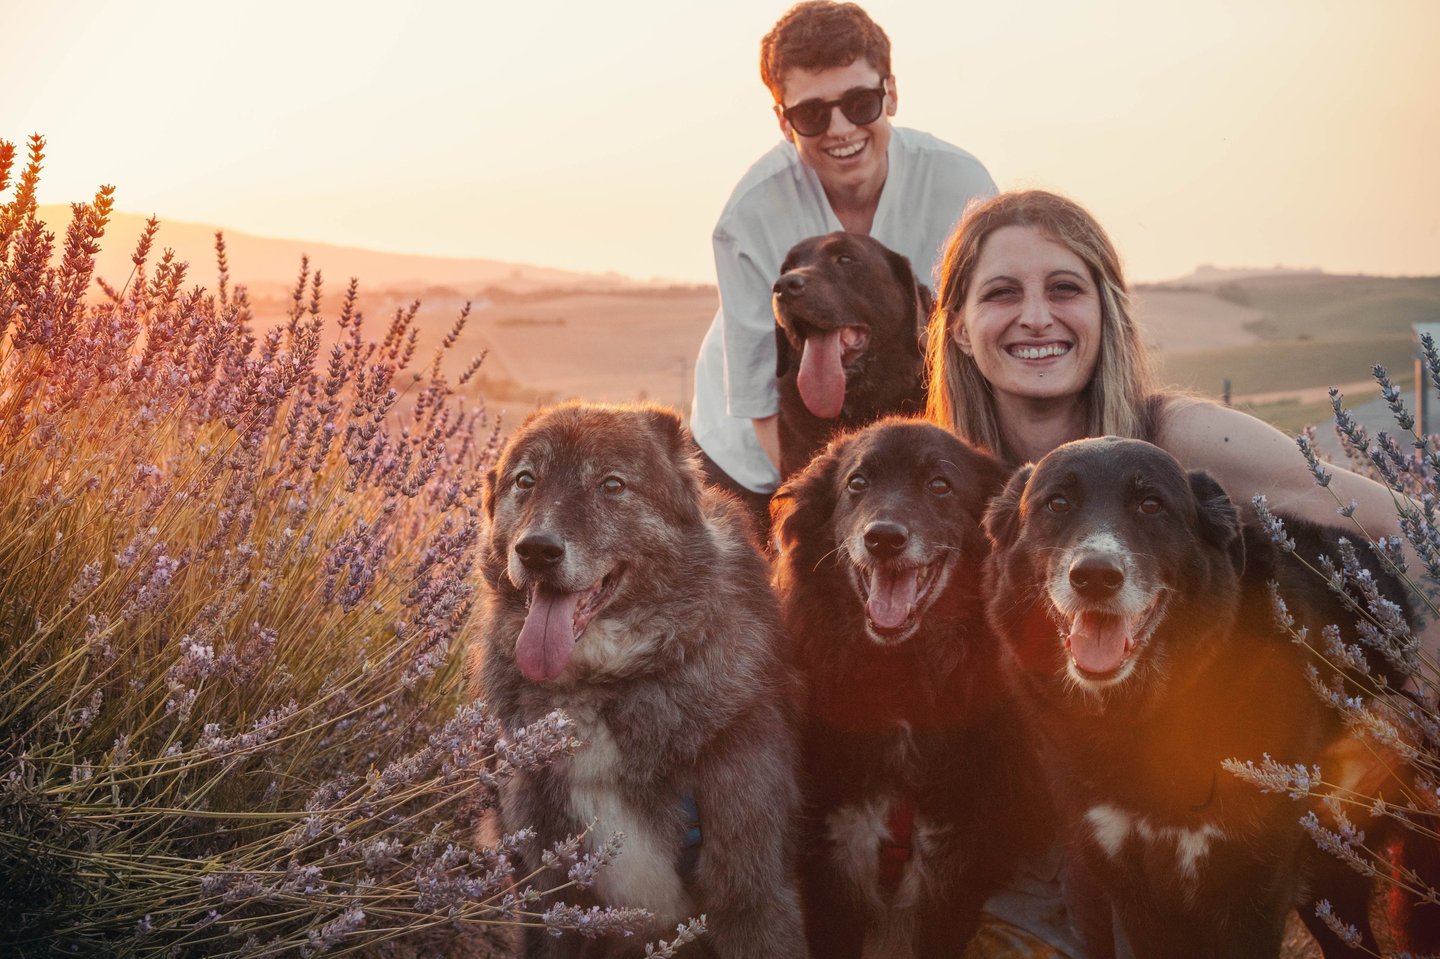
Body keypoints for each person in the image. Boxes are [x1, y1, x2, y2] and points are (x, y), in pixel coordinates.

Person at [927, 189, 1437, 958]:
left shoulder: (1187, 437)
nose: (1035, 315)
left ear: (1107, 313)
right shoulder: (949, 478)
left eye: (1064, 288)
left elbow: (1413, 531)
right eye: (1003, 292)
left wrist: (1411, 708)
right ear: (959, 327)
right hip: (1035, 835)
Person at [689, 0, 996, 530]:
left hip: (910, 440)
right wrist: (819, 512)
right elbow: (757, 396)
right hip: (750, 451)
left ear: (891, 94)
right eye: (811, 113)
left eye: (859, 102)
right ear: (784, 123)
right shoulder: (749, 216)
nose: (839, 128)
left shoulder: (961, 187)